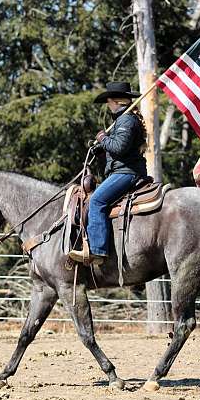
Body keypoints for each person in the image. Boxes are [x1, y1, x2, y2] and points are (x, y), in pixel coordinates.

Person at [68, 81, 148, 265]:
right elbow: (119, 147)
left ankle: (97, 251)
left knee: (97, 201)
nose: (107, 105)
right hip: (125, 171)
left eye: (108, 101)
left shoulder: (126, 120)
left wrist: (103, 138)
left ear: (115, 101)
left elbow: (119, 147)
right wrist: (102, 148)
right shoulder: (123, 120)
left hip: (127, 173)